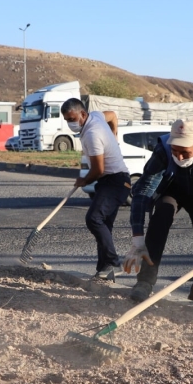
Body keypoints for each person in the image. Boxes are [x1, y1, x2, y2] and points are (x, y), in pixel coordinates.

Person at [124, 119, 193, 304]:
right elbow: (143, 192)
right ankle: (144, 282)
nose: (180, 157)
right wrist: (137, 239)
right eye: (175, 151)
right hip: (171, 191)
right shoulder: (163, 149)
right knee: (160, 218)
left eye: (185, 152)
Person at [61, 98, 130, 280]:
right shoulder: (96, 117)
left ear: (83, 114)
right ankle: (104, 272)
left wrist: (84, 180)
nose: (70, 124)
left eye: (72, 119)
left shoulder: (92, 132)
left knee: (94, 219)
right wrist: (114, 134)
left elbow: (98, 170)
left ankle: (113, 262)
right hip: (112, 181)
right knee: (104, 225)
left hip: (116, 181)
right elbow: (113, 115)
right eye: (67, 120)